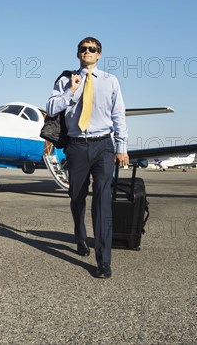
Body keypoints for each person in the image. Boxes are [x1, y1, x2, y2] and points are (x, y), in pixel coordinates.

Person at [46, 37, 129, 278]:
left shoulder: (110, 81)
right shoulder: (65, 79)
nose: (87, 52)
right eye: (83, 49)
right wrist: (70, 91)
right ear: (77, 54)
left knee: (102, 200)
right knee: (77, 197)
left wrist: (121, 147)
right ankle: (80, 236)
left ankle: (103, 261)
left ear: (99, 54)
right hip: (76, 146)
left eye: (92, 49)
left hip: (104, 145)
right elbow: (51, 108)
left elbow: (119, 115)